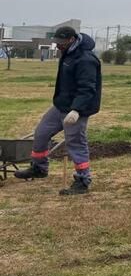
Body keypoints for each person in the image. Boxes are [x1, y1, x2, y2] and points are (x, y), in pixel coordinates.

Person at [15, 26, 102, 195]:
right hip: (60, 106)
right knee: (40, 133)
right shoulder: (68, 53)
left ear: (71, 39)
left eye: (61, 43)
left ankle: (83, 180)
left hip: (78, 109)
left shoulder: (85, 59)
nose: (58, 46)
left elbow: (87, 88)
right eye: (57, 42)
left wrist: (76, 110)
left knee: (75, 143)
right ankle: (39, 168)